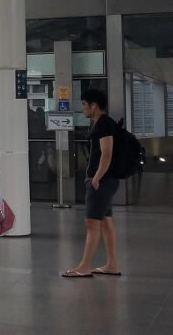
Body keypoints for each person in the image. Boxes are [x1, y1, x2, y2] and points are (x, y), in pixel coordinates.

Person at [62, 89, 122, 279]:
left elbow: (107, 153)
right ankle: (111, 264)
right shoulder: (104, 123)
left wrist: (96, 177)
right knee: (105, 220)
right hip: (107, 180)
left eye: (83, 104)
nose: (82, 109)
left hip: (102, 181)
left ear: (93, 105)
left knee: (92, 222)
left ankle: (84, 266)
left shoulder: (103, 124)